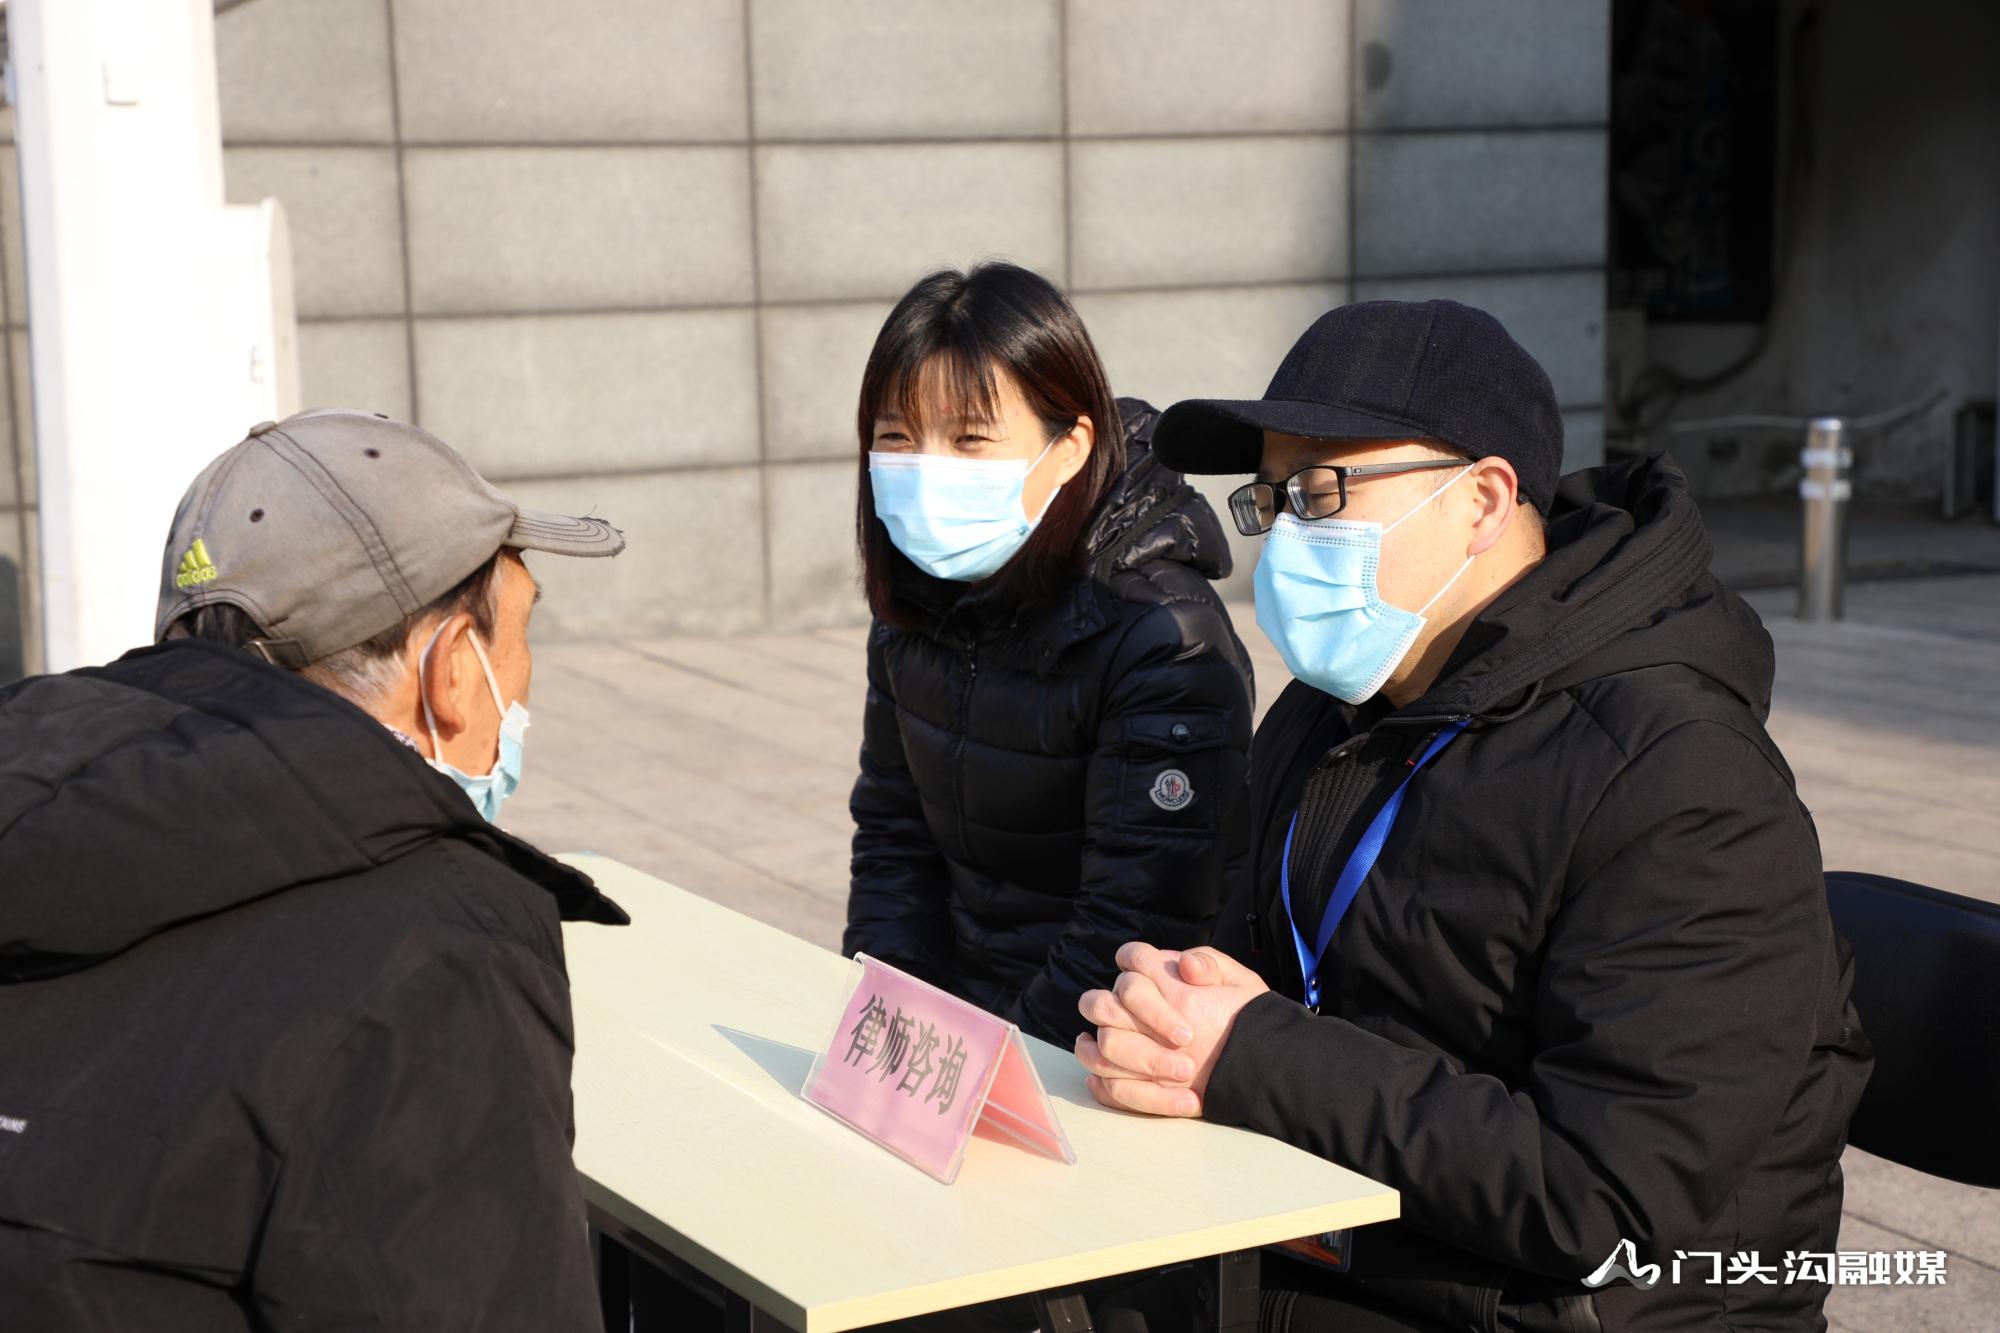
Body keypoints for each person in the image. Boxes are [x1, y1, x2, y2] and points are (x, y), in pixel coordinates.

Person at [1072, 302, 1871, 1332]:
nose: (1285, 540)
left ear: (1484, 501)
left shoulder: (1682, 782)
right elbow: (1244, 973)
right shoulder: (1337, 706)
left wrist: (1254, 1056)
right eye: (1270, 500)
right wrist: (1166, 1024)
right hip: (1355, 1231)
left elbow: (1604, 1200)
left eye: (1320, 490)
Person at [0, 410, 627, 1330]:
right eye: (520, 632)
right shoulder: (439, 949)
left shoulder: (36, 806)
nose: (525, 676)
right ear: (453, 669)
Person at [844, 262, 1256, 1046]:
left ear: (1070, 448)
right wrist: (890, 1018)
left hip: (1089, 1047)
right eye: (897, 437)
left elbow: (1135, 922)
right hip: (952, 1029)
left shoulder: (1162, 638)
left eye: (970, 440)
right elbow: (894, 839)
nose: (928, 470)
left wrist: (992, 1073)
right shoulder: (915, 607)